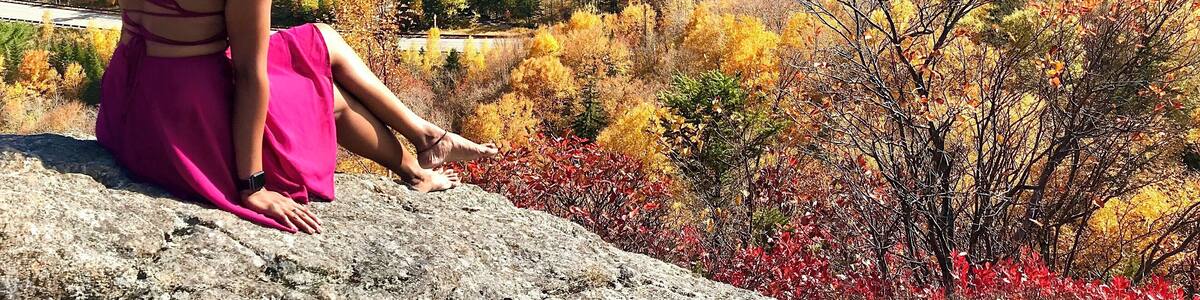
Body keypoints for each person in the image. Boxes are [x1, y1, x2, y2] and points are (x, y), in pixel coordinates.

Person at [95, 0, 497, 235]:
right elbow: (251, 77)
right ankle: (419, 159)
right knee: (326, 97)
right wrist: (252, 186)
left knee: (322, 38)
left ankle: (426, 140)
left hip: (131, 101)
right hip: (184, 117)